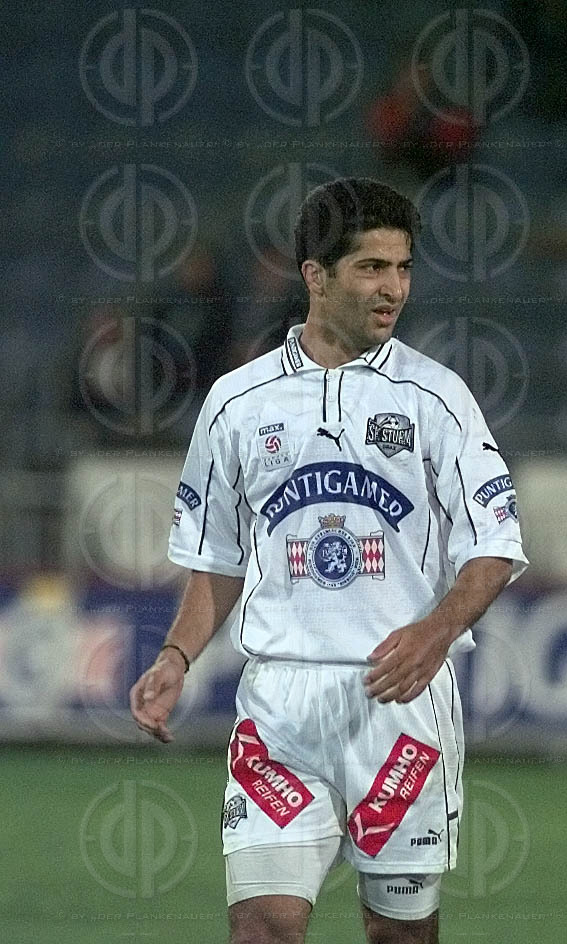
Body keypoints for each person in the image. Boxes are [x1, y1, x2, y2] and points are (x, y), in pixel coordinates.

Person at [130, 177, 527, 944]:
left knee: (398, 933)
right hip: (279, 705)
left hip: (398, 704)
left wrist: (437, 631)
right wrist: (177, 656)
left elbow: (495, 544)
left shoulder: (436, 398)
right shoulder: (239, 402)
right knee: (262, 927)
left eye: (402, 268)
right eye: (371, 268)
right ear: (315, 276)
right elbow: (216, 558)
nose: (393, 289)